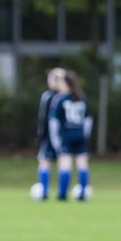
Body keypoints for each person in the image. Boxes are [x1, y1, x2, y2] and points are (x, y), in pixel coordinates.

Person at [48, 69, 92, 201]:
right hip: (80, 135)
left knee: (65, 164)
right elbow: (88, 120)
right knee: (82, 164)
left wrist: (55, 140)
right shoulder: (82, 98)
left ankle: (62, 194)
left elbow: (54, 122)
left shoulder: (60, 99)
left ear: (66, 83)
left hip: (66, 136)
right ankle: (83, 193)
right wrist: (85, 135)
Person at [34, 68, 64, 199]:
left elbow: (43, 118)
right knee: (63, 163)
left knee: (44, 161)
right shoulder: (69, 96)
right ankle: (61, 194)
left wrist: (40, 135)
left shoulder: (48, 96)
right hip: (64, 136)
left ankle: (44, 192)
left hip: (50, 136)